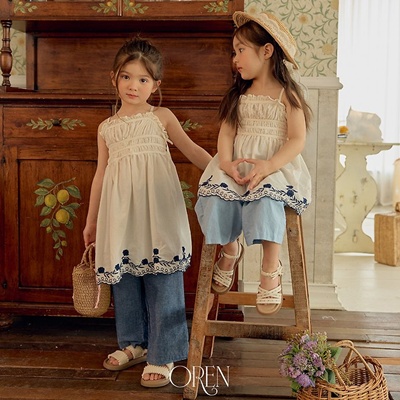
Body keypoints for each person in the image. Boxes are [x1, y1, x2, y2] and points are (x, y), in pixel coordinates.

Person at [83, 37, 211, 388]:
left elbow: (192, 150)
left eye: (143, 79)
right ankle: (134, 343)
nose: (133, 85)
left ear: (156, 84)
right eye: (126, 77)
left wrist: (223, 171)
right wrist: (92, 221)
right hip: (120, 214)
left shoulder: (161, 118)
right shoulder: (107, 128)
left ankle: (163, 352)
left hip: (158, 211)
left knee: (162, 277)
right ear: (114, 78)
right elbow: (100, 174)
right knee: (124, 277)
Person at [195, 11, 312, 316]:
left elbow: (297, 139)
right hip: (238, 164)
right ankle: (230, 249)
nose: (235, 59)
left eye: (240, 50)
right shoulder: (239, 94)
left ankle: (270, 268)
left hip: (273, 167)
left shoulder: (287, 95)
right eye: (234, 52)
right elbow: (226, 134)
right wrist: (226, 162)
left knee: (267, 197)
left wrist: (269, 165)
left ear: (267, 51)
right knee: (215, 196)